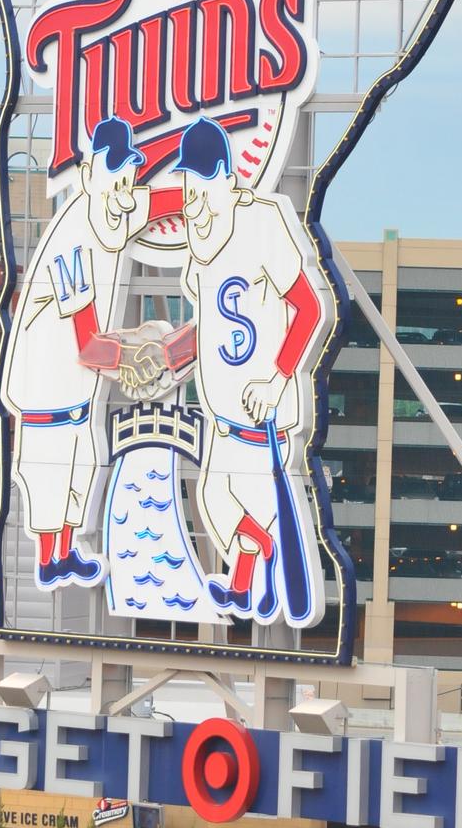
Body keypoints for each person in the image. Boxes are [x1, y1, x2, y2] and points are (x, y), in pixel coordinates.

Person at [165, 117, 331, 626]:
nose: (190, 190)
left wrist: (279, 377)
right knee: (216, 501)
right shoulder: (204, 239)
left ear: (221, 173)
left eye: (197, 178)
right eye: (187, 180)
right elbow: (213, 324)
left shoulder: (261, 220)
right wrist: (167, 354)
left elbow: (309, 308)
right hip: (222, 412)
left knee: (249, 503)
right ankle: (250, 579)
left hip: (263, 412)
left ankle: (261, 572)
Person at [0, 116, 159, 589]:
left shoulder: (111, 208)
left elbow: (159, 201)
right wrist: (137, 357)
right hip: (46, 400)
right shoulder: (70, 240)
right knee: (52, 480)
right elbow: (87, 342)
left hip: (78, 398)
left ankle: (65, 553)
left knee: (82, 472)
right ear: (90, 176)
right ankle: (52, 557)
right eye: (117, 181)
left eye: (130, 181)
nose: (126, 196)